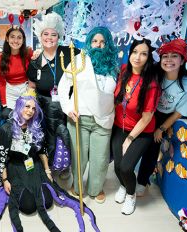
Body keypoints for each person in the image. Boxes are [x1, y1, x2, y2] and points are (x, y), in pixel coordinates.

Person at [0, 95, 99, 232]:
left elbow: (42, 150)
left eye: (33, 108)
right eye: (27, 106)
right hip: (15, 167)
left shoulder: (35, 126)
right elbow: (1, 157)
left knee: (47, 202)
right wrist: (5, 180)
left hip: (34, 165)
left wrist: (47, 171)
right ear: (19, 107)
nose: (30, 111)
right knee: (28, 208)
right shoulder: (6, 129)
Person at [58, 26, 119, 203]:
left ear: (107, 44)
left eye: (102, 42)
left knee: (100, 160)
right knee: (80, 158)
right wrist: (69, 107)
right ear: (89, 42)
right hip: (80, 118)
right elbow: (63, 86)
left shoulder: (114, 66)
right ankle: (77, 187)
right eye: (94, 41)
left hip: (104, 119)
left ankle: (96, 188)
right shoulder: (80, 61)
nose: (98, 45)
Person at [135, 39, 187, 196]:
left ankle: (142, 181)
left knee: (152, 146)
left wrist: (161, 128)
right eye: (165, 56)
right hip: (147, 112)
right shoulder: (155, 73)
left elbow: (179, 112)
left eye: (174, 56)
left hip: (165, 116)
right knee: (137, 143)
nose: (169, 60)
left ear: (183, 59)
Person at [111, 38, 160, 215]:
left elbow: (147, 118)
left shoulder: (151, 83)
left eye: (143, 54)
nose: (138, 57)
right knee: (117, 166)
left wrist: (130, 139)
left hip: (141, 131)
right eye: (135, 52)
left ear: (149, 58)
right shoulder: (123, 71)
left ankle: (131, 195)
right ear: (130, 53)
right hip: (120, 126)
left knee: (126, 167)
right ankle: (124, 186)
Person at [27, 12, 79, 171]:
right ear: (40, 35)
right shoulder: (35, 61)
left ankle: (64, 167)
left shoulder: (70, 53)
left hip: (67, 107)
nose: (49, 37)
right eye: (45, 34)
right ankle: (49, 166)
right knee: (46, 139)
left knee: (64, 138)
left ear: (59, 36)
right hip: (43, 107)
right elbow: (31, 87)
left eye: (53, 34)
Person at [0, 26, 33, 114]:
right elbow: (1, 82)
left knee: (26, 119)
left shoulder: (28, 53)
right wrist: (4, 103)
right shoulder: (0, 58)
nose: (16, 41)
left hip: (25, 91)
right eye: (12, 37)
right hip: (10, 93)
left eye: (19, 37)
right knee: (10, 119)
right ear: (7, 39)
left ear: (23, 40)